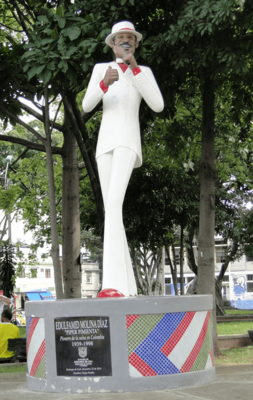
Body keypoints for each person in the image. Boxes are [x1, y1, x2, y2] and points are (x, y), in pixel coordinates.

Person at [82, 21, 164, 298]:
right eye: (121, 38)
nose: (125, 41)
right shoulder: (100, 70)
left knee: (115, 203)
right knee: (111, 209)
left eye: (130, 38)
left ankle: (111, 286)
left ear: (136, 44)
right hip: (104, 145)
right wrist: (104, 83)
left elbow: (157, 104)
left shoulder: (144, 72)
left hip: (128, 142)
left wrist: (135, 70)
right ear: (112, 43)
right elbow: (86, 105)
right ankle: (124, 286)